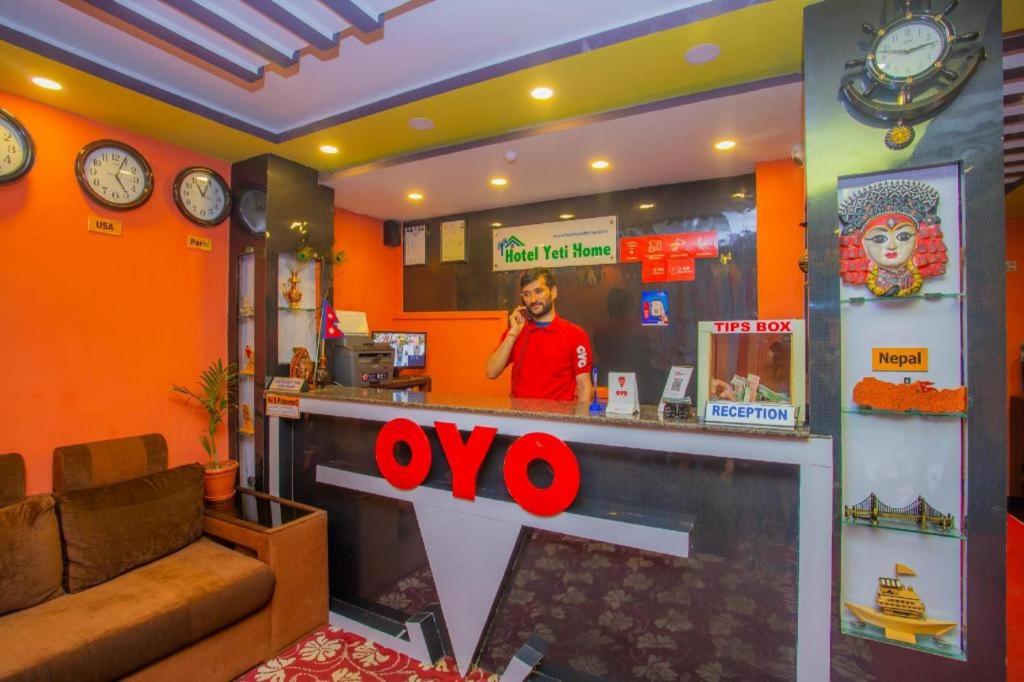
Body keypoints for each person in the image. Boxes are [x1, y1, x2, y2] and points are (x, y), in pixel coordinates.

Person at [485, 268, 593, 402]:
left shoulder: (575, 334)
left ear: (553, 292)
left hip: (558, 415)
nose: (532, 299)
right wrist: (512, 334)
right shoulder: (516, 332)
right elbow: (491, 372)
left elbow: (584, 386)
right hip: (519, 414)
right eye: (526, 294)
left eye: (538, 291)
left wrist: (581, 415)